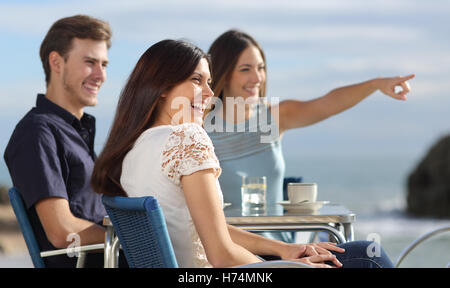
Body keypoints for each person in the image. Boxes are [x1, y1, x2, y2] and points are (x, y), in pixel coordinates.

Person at [90, 39, 394, 268]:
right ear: (162, 87)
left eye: (209, 82)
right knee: (371, 257)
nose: (210, 94)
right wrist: (284, 269)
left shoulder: (133, 150)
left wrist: (283, 251)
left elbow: (206, 229)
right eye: (197, 80)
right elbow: (221, 255)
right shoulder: (188, 138)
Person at [205, 29, 415, 210]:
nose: (257, 78)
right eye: (245, 69)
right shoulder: (201, 126)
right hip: (230, 251)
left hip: (283, 249)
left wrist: (375, 85)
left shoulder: (273, 117)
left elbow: (327, 104)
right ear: (224, 74)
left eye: (261, 68)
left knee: (363, 252)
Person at [4, 15, 120, 268]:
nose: (101, 75)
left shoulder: (77, 132)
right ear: (56, 62)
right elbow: (61, 231)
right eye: (90, 62)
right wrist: (133, 239)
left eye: (104, 64)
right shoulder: (37, 133)